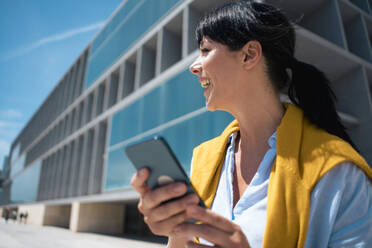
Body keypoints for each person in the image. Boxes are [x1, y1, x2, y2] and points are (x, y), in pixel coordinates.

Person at [131, 1, 372, 247]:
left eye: (205, 50)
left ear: (249, 55)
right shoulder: (203, 160)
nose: (194, 66)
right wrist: (176, 230)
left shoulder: (338, 172)